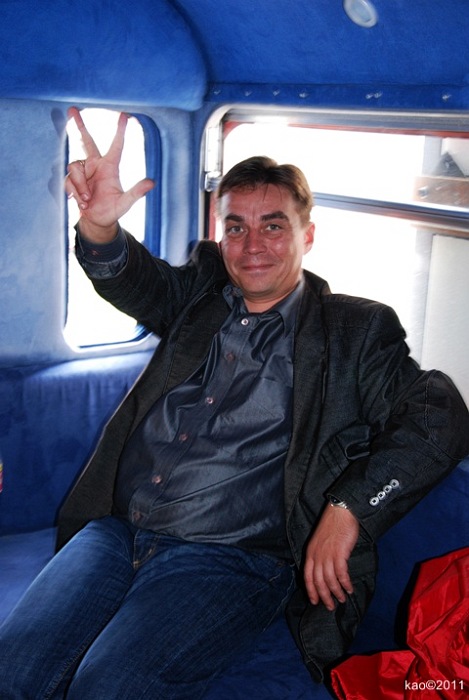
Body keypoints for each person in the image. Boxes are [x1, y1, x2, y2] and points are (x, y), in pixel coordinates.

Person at [0, 108, 468, 699]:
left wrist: (349, 507)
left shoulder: (354, 331)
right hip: (116, 531)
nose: (253, 246)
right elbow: (133, 279)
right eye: (236, 227)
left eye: (274, 226)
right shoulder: (202, 292)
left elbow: (439, 417)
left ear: (308, 235)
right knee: (12, 674)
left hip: (229, 558)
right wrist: (99, 227)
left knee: (108, 688)